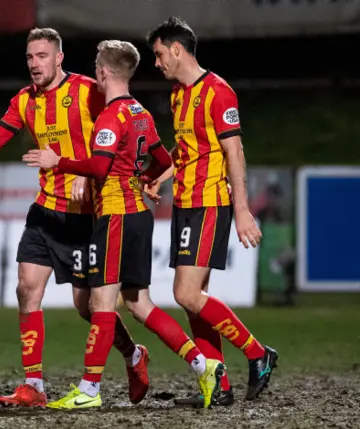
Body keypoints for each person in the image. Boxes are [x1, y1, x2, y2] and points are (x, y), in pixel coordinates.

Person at [0, 28, 150, 407]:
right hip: (45, 211)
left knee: (87, 307)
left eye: (42, 56)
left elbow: (125, 134)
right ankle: (33, 386)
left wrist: (95, 178)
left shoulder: (91, 91)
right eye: (29, 57)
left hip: (86, 216)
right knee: (26, 288)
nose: (35, 64)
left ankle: (134, 355)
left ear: (59, 58)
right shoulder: (24, 100)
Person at [23, 39, 225, 410]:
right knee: (139, 302)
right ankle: (205, 364)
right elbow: (163, 161)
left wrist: (58, 161)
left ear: (102, 72)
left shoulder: (110, 116)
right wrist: (145, 178)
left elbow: (99, 167)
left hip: (115, 216)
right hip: (139, 217)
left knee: (101, 302)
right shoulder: (140, 113)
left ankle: (88, 389)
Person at [145, 17, 279, 406]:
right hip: (186, 203)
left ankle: (257, 353)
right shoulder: (178, 94)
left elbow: (234, 152)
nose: (156, 63)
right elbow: (185, 150)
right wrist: (161, 177)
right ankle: (219, 385)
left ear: (176, 49)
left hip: (210, 203)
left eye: (158, 54)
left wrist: (242, 210)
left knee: (186, 294)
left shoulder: (218, 92)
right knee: (196, 298)